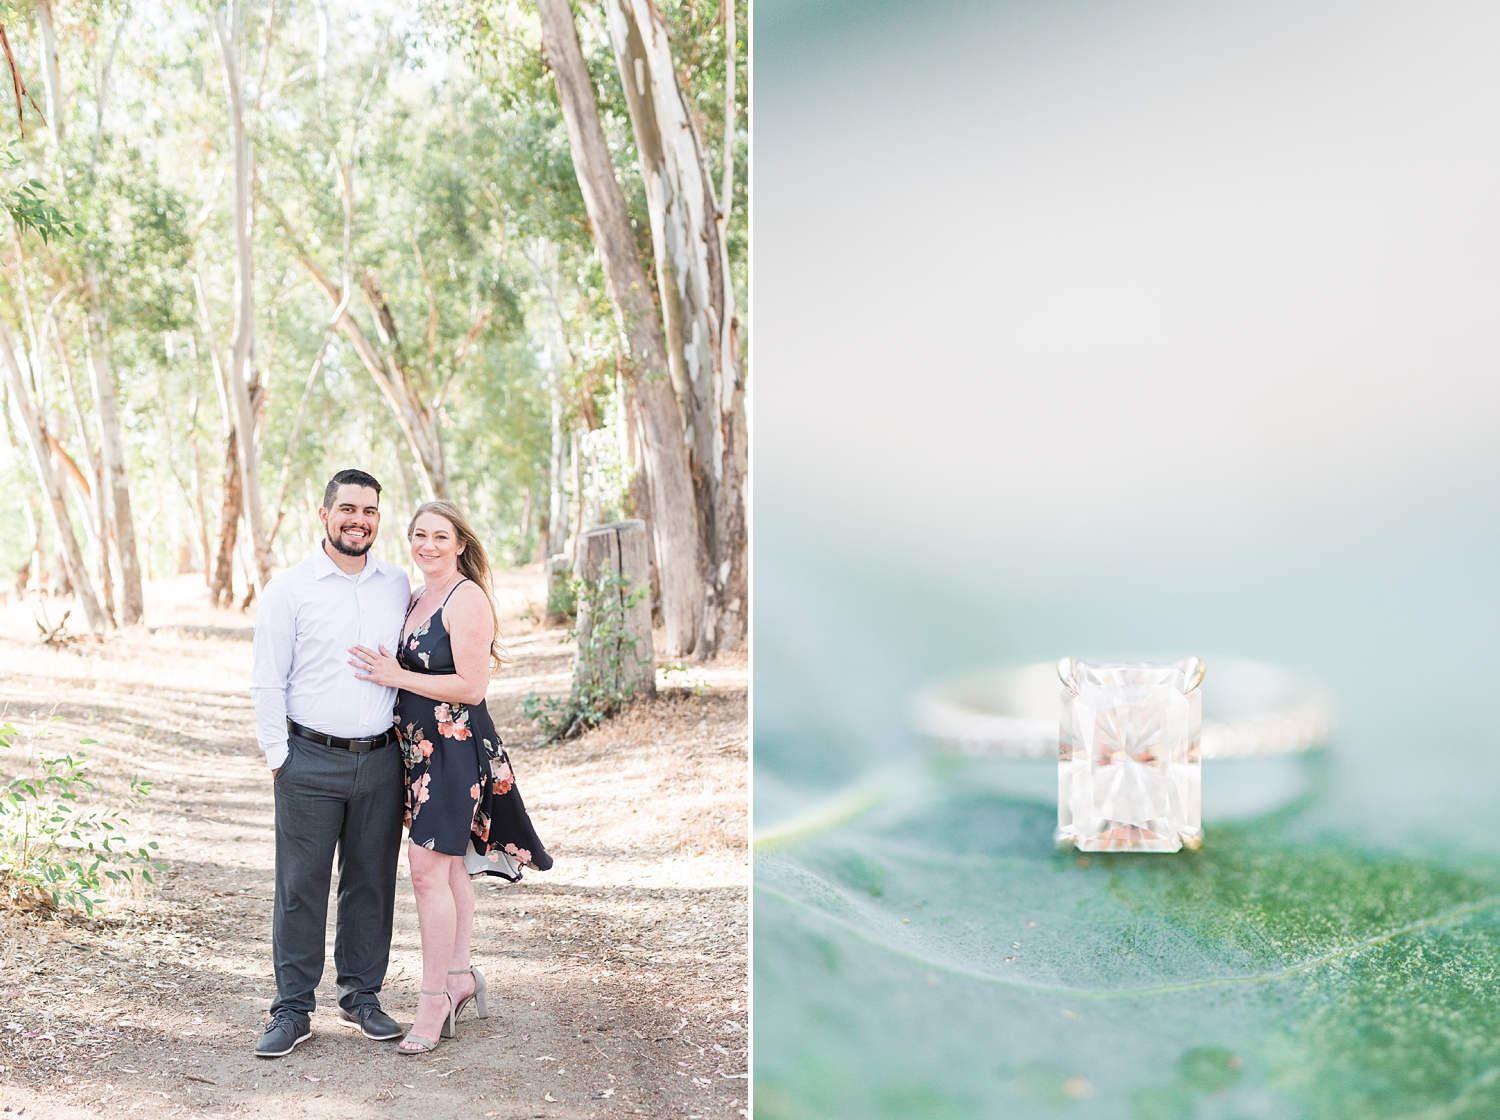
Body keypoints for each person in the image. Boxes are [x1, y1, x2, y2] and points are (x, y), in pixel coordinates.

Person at [349, 499, 552, 1054]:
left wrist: (397, 674)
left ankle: (433, 996)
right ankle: (460, 977)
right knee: (447, 866)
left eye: (441, 536)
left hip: (454, 751)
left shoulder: (467, 599)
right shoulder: (418, 596)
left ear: (460, 544)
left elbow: (471, 687)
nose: (428, 545)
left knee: (424, 871)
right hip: (415, 752)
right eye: (419, 535)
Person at [248, 469, 412, 1058]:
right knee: (301, 888)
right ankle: (292, 1010)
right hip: (308, 761)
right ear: (324, 514)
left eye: (369, 511)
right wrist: (279, 759)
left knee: (371, 884)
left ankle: (361, 996)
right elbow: (267, 681)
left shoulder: (398, 584)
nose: (358, 520)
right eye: (347, 509)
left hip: (381, 761)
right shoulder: (289, 589)